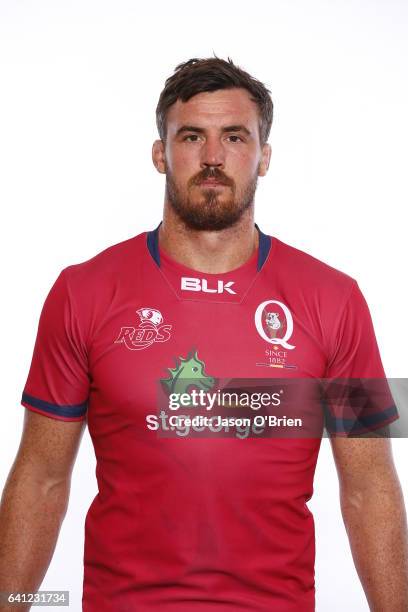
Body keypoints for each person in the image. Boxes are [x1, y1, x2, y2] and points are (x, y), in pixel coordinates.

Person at [0, 56, 407, 612]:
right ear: (160, 153)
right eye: (192, 136)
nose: (213, 158)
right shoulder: (83, 293)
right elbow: (41, 479)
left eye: (235, 137)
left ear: (263, 157)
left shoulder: (336, 301)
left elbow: (369, 488)